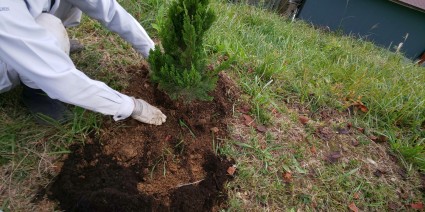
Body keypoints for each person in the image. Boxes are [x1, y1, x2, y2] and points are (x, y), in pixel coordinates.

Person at [0, 0, 166, 125]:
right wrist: (131, 106)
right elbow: (60, 78)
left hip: (23, 28)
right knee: (49, 30)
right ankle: (37, 93)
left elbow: (109, 10)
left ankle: (49, 43)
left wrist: (152, 53)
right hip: (5, 59)